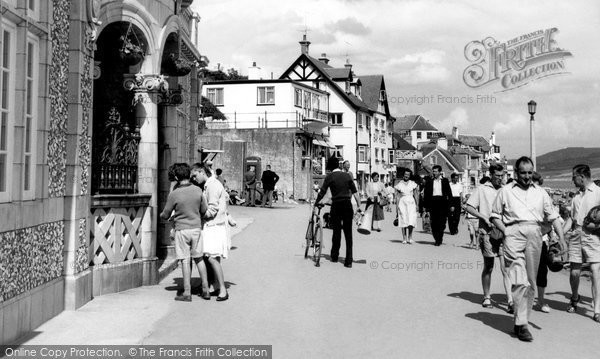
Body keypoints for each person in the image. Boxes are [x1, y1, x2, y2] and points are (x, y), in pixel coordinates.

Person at [490, 156, 565, 342]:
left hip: (535, 234)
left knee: (531, 282)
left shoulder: (541, 192)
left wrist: (561, 239)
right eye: (522, 173)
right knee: (518, 280)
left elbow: (553, 216)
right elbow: (494, 215)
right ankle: (523, 326)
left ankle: (520, 320)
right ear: (516, 173)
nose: (526, 176)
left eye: (529, 172)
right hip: (513, 234)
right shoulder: (506, 191)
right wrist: (506, 231)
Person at [466, 164, 513, 312]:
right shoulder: (482, 189)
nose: (500, 178)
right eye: (497, 176)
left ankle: (511, 300)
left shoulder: (506, 190)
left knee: (506, 268)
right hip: (487, 233)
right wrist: (484, 217)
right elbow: (468, 207)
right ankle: (486, 296)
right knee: (489, 267)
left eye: (502, 176)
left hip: (504, 233)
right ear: (491, 175)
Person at [159, 163, 208, 302]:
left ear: (176, 177)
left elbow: (166, 214)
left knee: (185, 260)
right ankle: (205, 289)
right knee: (199, 258)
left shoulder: (174, 194)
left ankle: (187, 292)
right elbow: (204, 210)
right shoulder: (198, 190)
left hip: (182, 230)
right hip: (196, 228)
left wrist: (162, 215)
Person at [192, 162, 231, 301]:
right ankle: (215, 286)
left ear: (202, 171)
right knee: (212, 258)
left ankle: (223, 290)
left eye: (195, 175)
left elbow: (212, 209)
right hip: (214, 225)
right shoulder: (210, 185)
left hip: (214, 225)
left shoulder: (212, 185)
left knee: (212, 258)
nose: (194, 178)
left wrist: (198, 215)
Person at [314, 156, 362, 268]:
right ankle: (348, 260)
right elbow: (355, 193)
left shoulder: (330, 177)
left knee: (336, 232)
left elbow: (322, 192)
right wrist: (359, 206)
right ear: (339, 165)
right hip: (347, 205)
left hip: (336, 205)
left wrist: (317, 202)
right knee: (348, 233)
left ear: (330, 167)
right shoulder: (347, 175)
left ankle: (335, 256)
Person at [566, 164, 600, 323]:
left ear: (582, 176)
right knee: (574, 272)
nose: (572, 179)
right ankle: (574, 298)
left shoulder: (598, 192)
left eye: (574, 176)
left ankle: (597, 310)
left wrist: (597, 226)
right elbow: (570, 220)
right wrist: (560, 235)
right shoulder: (576, 198)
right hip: (575, 235)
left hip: (592, 236)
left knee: (595, 270)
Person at [423, 165, 452, 246]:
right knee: (434, 222)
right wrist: (426, 207)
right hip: (433, 202)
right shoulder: (430, 181)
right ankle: (436, 238)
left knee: (442, 222)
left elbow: (449, 193)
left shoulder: (445, 181)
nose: (434, 173)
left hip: (442, 202)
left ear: (440, 172)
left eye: (436, 171)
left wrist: (451, 205)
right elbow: (426, 195)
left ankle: (440, 237)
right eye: (433, 171)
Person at [395, 169, 419, 244]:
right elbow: (398, 197)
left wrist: (417, 204)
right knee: (403, 220)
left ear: (410, 176)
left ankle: (410, 237)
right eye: (405, 174)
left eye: (408, 175)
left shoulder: (413, 183)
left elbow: (416, 194)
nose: (406, 176)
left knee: (411, 220)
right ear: (403, 175)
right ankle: (404, 238)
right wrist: (397, 207)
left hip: (411, 202)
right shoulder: (399, 184)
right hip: (402, 202)